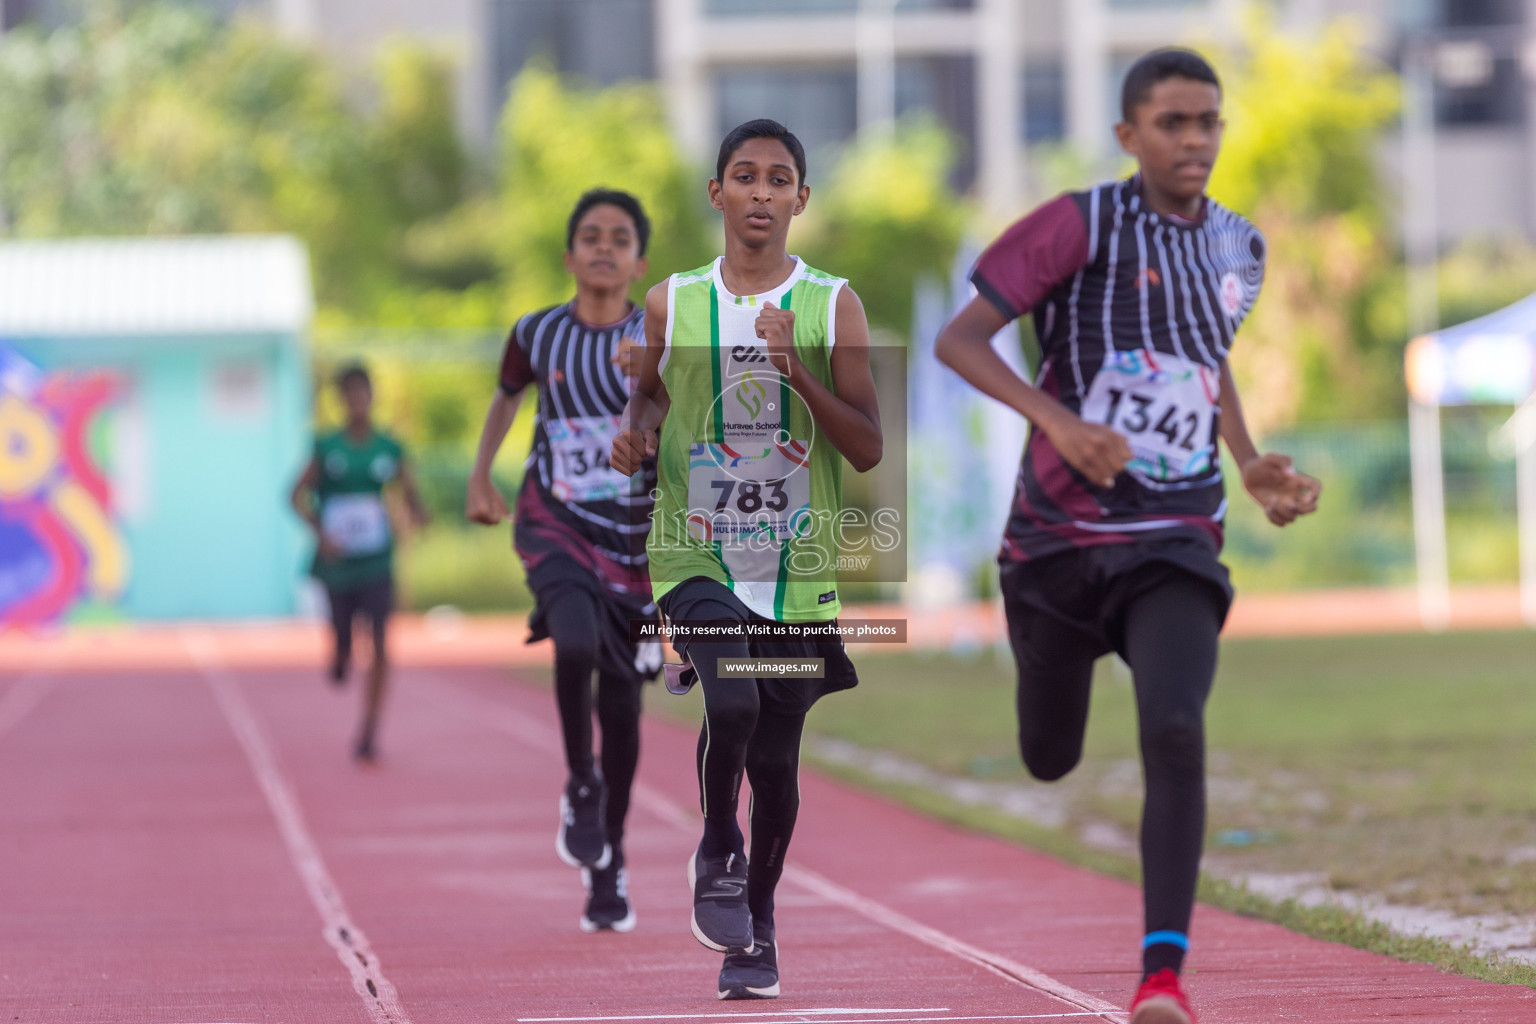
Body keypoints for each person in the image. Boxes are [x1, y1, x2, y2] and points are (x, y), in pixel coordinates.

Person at [934, 49, 1320, 1024]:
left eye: (1209, 122)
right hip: (1058, 542)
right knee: (1050, 756)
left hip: (1174, 533)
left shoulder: (1240, 247)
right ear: (1129, 135)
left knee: (1177, 728)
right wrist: (1055, 420)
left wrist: (1247, 459)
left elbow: (1207, 360)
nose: (1195, 140)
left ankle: (1161, 975)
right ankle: (1044, 664)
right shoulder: (1077, 223)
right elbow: (960, 339)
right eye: (1173, 123)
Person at [611, 118, 882, 1002]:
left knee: (777, 762)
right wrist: (633, 436)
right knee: (729, 698)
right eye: (744, 176)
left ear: (802, 198)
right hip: (696, 552)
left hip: (796, 563)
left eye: (779, 179)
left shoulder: (832, 303)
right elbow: (649, 399)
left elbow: (870, 446)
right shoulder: (672, 303)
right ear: (717, 194)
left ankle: (756, 928)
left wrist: (796, 371)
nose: (761, 193)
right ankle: (716, 846)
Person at [466, 188, 662, 934]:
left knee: (623, 704)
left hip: (638, 539)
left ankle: (608, 858)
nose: (604, 247)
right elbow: (506, 397)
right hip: (555, 518)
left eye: (619, 238)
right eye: (590, 235)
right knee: (573, 640)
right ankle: (581, 783)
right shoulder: (537, 332)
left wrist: (651, 419)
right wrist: (483, 477)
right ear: (569, 255)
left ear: (639, 260)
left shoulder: (660, 331)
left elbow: (691, 414)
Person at [290, 364, 429, 763]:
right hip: (338, 561)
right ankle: (340, 647)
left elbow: (410, 492)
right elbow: (295, 496)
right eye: (348, 394)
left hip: (376, 558)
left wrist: (419, 513)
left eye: (362, 392)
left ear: (372, 396)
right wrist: (322, 533)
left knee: (382, 640)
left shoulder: (389, 447)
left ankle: (370, 726)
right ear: (340, 400)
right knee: (344, 635)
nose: (357, 401)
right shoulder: (326, 447)